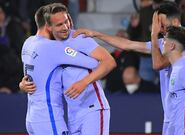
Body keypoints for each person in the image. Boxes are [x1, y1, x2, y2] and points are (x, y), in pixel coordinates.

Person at [73, 1, 185, 135]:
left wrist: (153, 34)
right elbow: (128, 44)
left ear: (176, 22)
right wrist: (96, 34)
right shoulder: (164, 43)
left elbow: (157, 64)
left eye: (162, 25)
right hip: (171, 116)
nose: (160, 29)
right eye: (157, 25)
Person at [20, 3, 116, 135]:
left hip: (92, 108)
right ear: (49, 27)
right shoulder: (50, 46)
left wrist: (84, 82)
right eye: (59, 24)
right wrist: (23, 84)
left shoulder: (79, 38)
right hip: (72, 112)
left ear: (70, 18)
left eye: (66, 21)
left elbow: (109, 62)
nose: (65, 27)